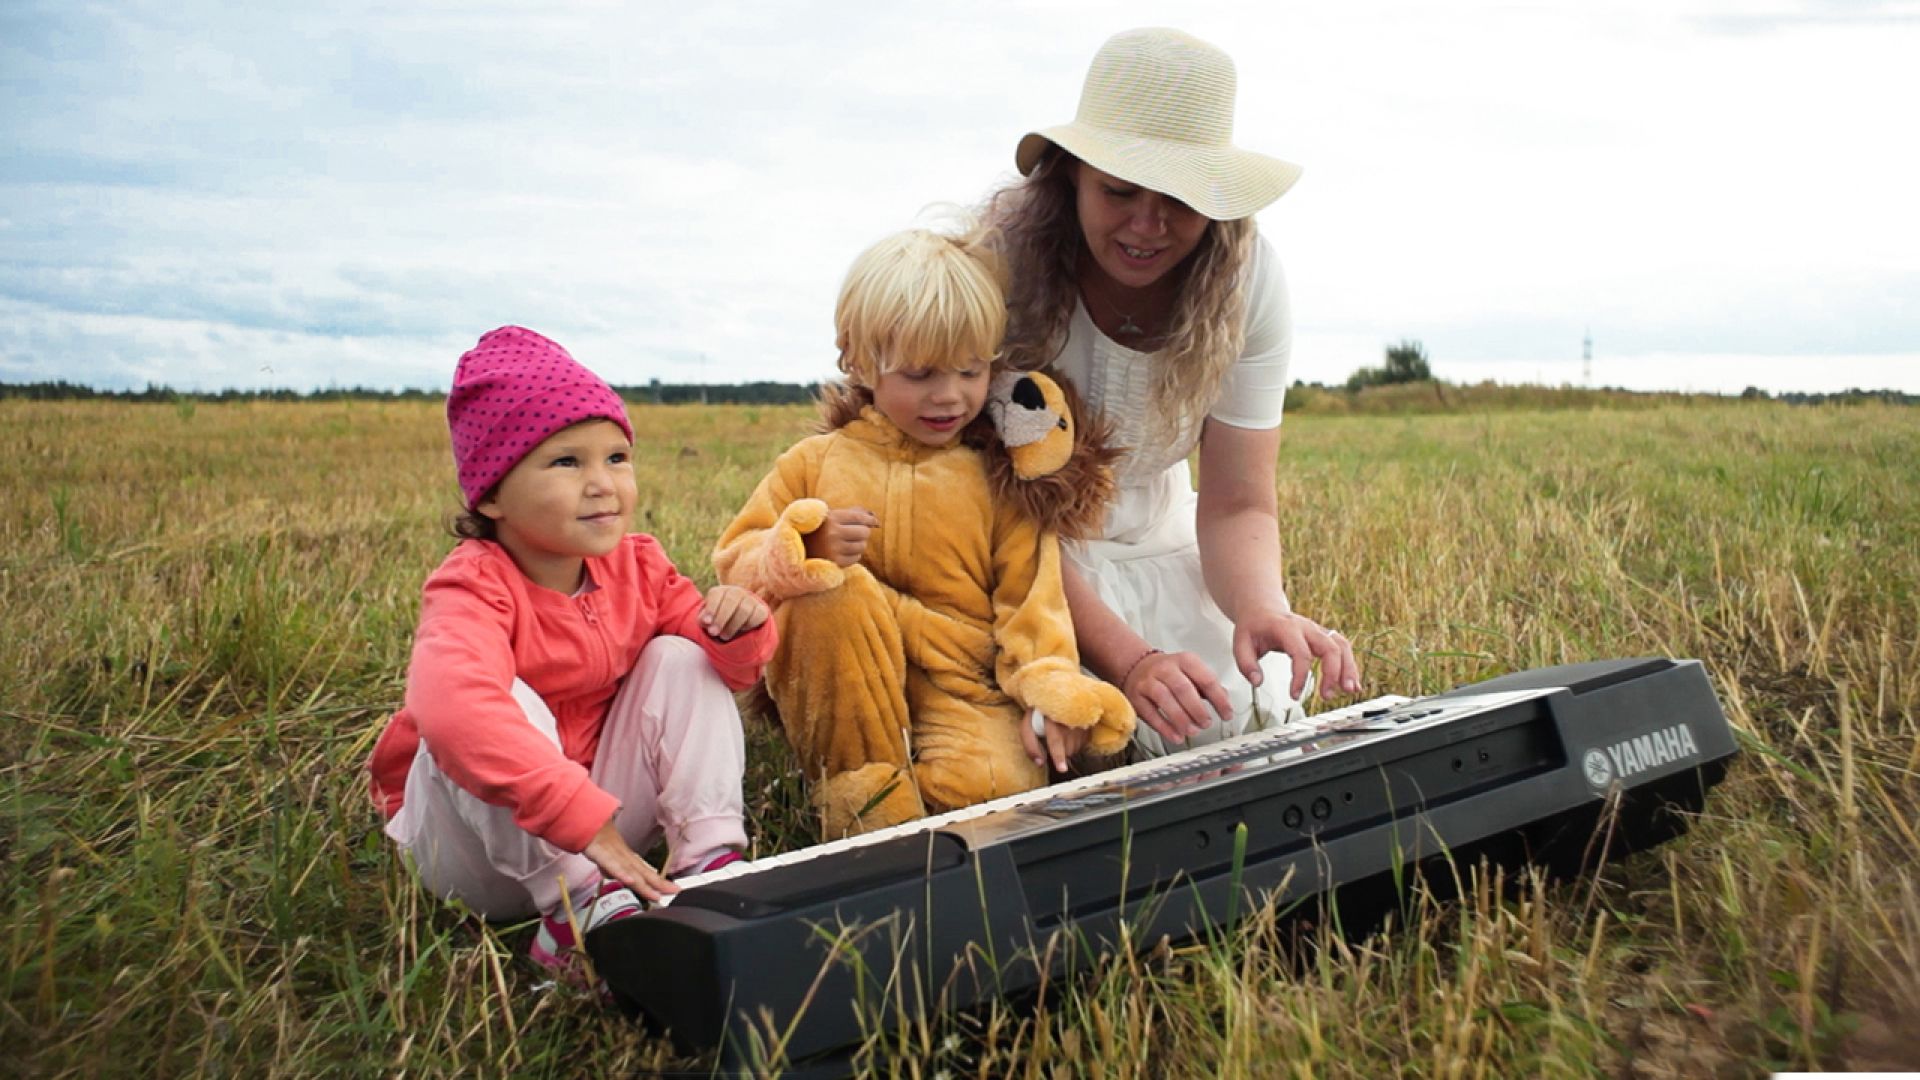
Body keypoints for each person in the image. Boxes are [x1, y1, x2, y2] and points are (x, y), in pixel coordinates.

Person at [981, 27, 1363, 757]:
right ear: (1068, 178)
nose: (1147, 227)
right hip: (1005, 558)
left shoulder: (1249, 280)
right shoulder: (1001, 268)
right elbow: (997, 508)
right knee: (1029, 747)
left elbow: (1237, 503)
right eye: (1118, 192)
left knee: (1252, 716)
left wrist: (1258, 607)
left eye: (1181, 200)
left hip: (1158, 539)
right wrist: (1128, 659)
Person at [367, 326, 775, 983]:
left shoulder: (639, 567)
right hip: (477, 857)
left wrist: (736, 631)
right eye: (567, 462)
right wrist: (576, 821)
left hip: (604, 835)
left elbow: (727, 674)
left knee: (680, 657)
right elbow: (451, 713)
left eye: (616, 457)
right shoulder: (472, 584)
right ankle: (574, 910)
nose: (602, 483)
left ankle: (706, 866)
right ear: (493, 493)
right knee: (493, 701)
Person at [713, 229, 1134, 838]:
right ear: (858, 361)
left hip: (964, 687)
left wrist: (1048, 687)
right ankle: (859, 780)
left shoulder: (996, 477)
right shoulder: (814, 462)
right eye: (920, 374)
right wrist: (804, 547)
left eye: (971, 370)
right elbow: (737, 561)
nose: (949, 396)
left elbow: (1032, 600)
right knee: (827, 600)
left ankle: (926, 806)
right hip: (846, 683)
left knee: (995, 792)